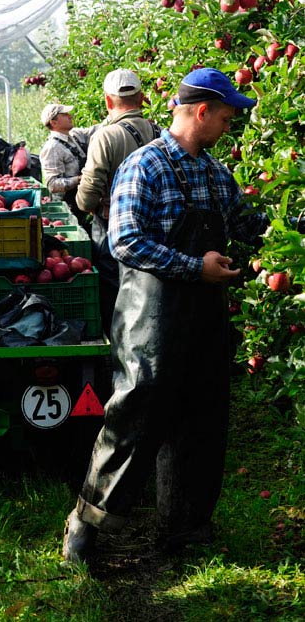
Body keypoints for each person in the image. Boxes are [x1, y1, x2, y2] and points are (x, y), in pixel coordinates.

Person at [63, 68, 268, 563]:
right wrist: (194, 266)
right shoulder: (145, 166)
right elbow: (124, 240)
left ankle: (185, 528)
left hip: (203, 317)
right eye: (224, 116)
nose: (228, 125)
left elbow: (247, 221)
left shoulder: (216, 172)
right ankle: (86, 525)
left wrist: (288, 223)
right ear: (201, 112)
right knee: (137, 416)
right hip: (151, 319)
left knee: (203, 418)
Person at [75, 69, 159, 338]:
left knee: (117, 288)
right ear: (142, 98)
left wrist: (86, 204)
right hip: (155, 227)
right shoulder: (160, 132)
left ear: (108, 102)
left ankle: (120, 343)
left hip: (113, 225)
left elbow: (89, 191)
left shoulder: (106, 136)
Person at [39, 103, 93, 223]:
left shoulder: (74, 136)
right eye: (64, 115)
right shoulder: (52, 148)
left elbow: (96, 130)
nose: (70, 116)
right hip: (67, 208)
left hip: (80, 200)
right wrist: (80, 179)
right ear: (54, 122)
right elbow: (52, 184)